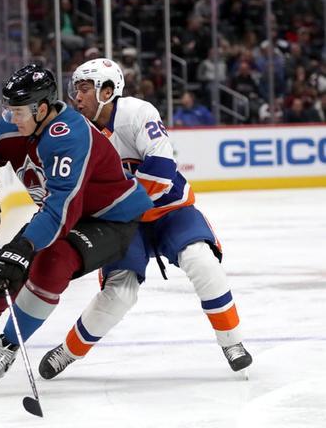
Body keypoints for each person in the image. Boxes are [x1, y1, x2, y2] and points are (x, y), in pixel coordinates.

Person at [0, 64, 153, 387]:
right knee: (4, 273)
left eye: (18, 112)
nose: (11, 118)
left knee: (51, 264)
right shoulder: (19, 124)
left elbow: (60, 210)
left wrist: (25, 246)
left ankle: (9, 345)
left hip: (110, 219)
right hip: (66, 212)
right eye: (8, 110)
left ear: (41, 109)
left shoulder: (70, 136)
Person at [38, 58, 253, 380]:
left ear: (108, 91)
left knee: (202, 261)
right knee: (120, 291)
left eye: (84, 89)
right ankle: (68, 351)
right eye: (75, 90)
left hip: (170, 210)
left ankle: (232, 342)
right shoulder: (74, 131)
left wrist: (120, 205)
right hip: (122, 224)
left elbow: (163, 169)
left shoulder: (139, 113)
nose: (76, 97)